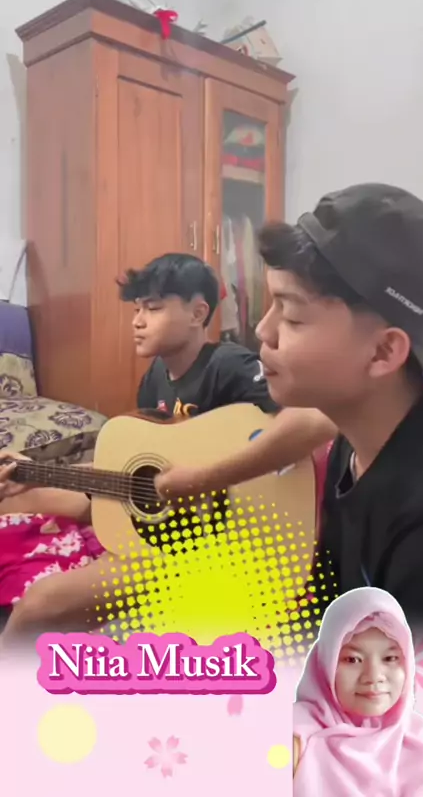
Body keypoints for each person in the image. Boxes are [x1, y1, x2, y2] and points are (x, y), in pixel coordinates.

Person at [0, 253, 336, 644]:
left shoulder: (229, 366)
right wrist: (35, 473)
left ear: (198, 313)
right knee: (19, 497)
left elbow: (310, 422)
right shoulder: (153, 381)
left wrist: (203, 479)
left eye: (154, 308)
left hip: (222, 543)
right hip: (166, 529)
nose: (138, 320)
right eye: (137, 309)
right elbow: (132, 473)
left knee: (38, 606)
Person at [255, 183, 423, 630]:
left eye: (292, 315)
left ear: (382, 352)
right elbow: (328, 616)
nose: (264, 331)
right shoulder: (354, 448)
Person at [293, 587, 423, 797]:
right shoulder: (295, 734)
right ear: (325, 663)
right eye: (353, 659)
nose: (373, 676)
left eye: (390, 658)